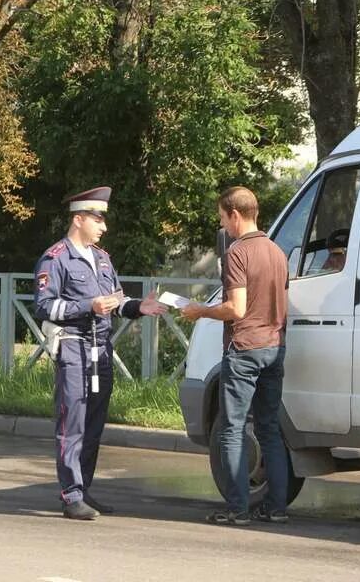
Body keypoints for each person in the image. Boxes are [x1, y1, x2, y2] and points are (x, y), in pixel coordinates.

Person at [33, 186, 167, 520]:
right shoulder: (56, 258)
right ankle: (71, 494)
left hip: (100, 349)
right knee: (72, 422)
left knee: (93, 425)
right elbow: (44, 305)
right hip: (73, 346)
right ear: (78, 219)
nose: (103, 227)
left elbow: (115, 302)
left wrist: (140, 306)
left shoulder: (103, 259)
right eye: (97, 219)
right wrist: (86, 305)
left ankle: (84, 490)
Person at [181, 186, 289, 526]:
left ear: (235, 215)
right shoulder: (276, 252)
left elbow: (236, 308)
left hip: (244, 349)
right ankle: (275, 507)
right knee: (270, 429)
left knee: (231, 428)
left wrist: (201, 310)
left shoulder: (237, 253)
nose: (223, 225)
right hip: (274, 346)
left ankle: (237, 507)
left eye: (223, 217)